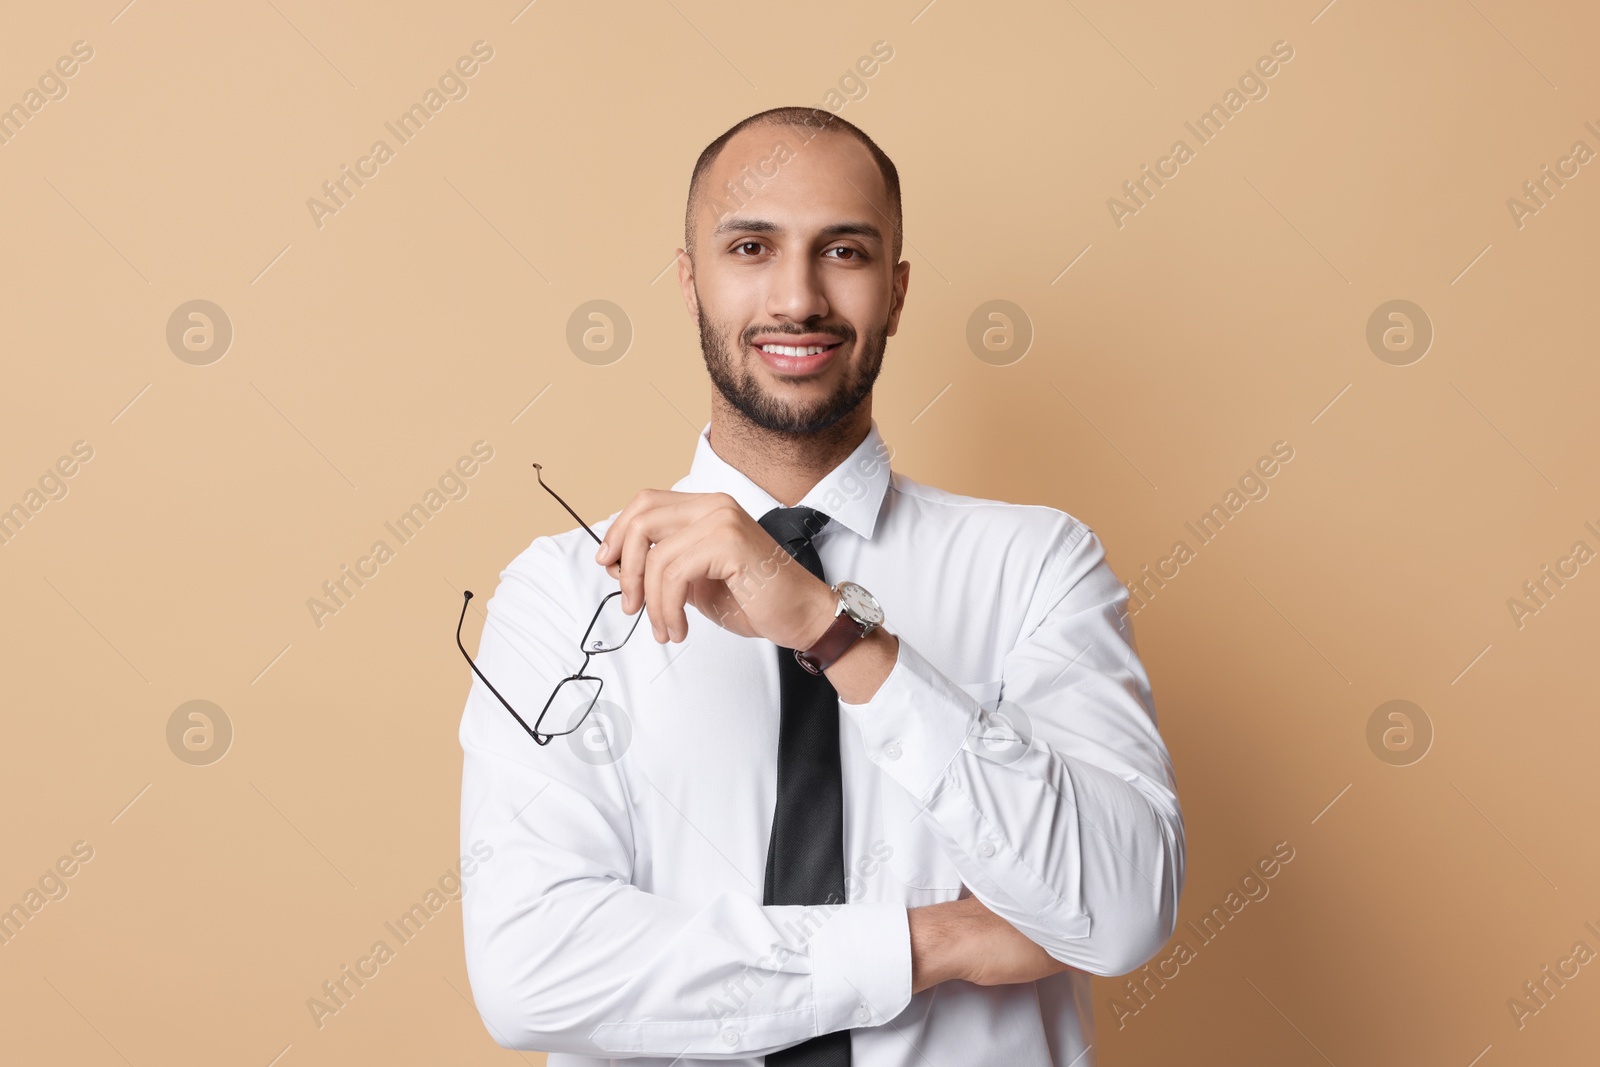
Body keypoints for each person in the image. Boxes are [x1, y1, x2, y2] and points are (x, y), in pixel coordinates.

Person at [458, 106, 1184, 1066]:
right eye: (751, 246)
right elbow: (532, 973)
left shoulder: (1038, 567)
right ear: (690, 283)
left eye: (843, 250)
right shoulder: (561, 593)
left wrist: (830, 629)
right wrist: (929, 942)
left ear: (896, 288)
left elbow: (1125, 909)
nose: (797, 298)